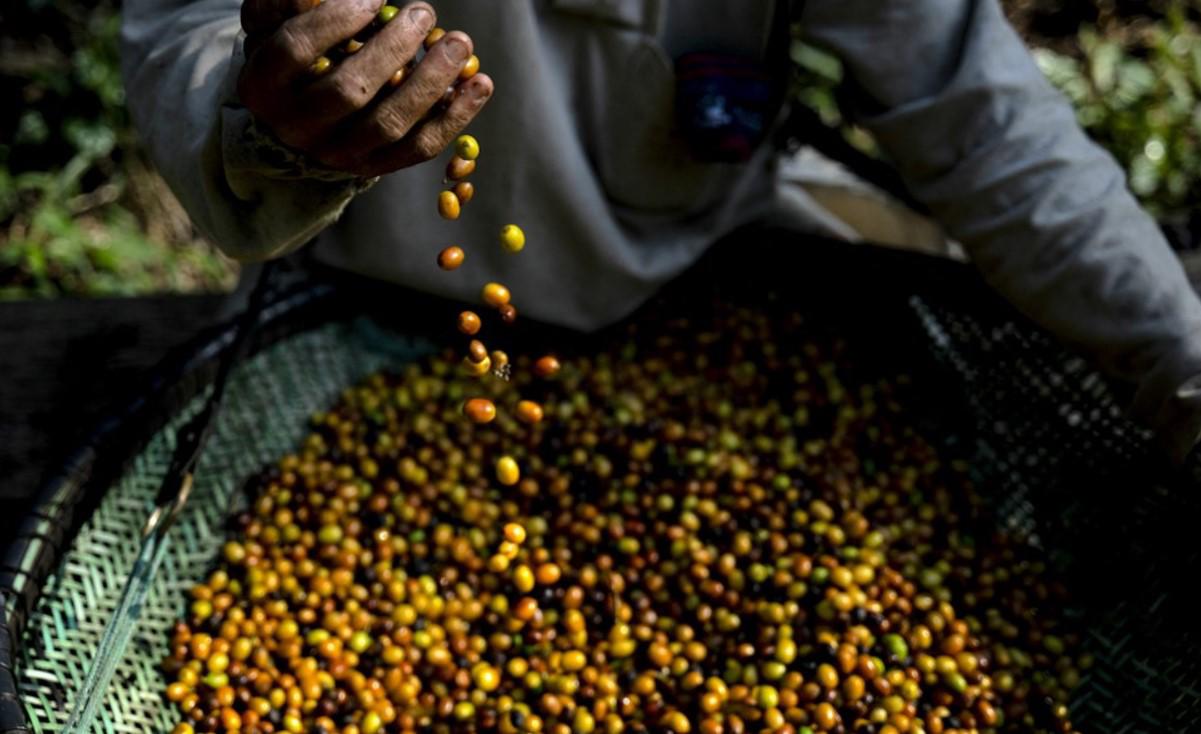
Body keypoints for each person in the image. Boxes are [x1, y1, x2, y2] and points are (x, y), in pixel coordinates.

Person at [121, 0, 1201, 460]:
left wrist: (1176, 356)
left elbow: (986, 131)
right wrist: (273, 117)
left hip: (700, 274)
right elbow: (189, 33)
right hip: (370, 301)